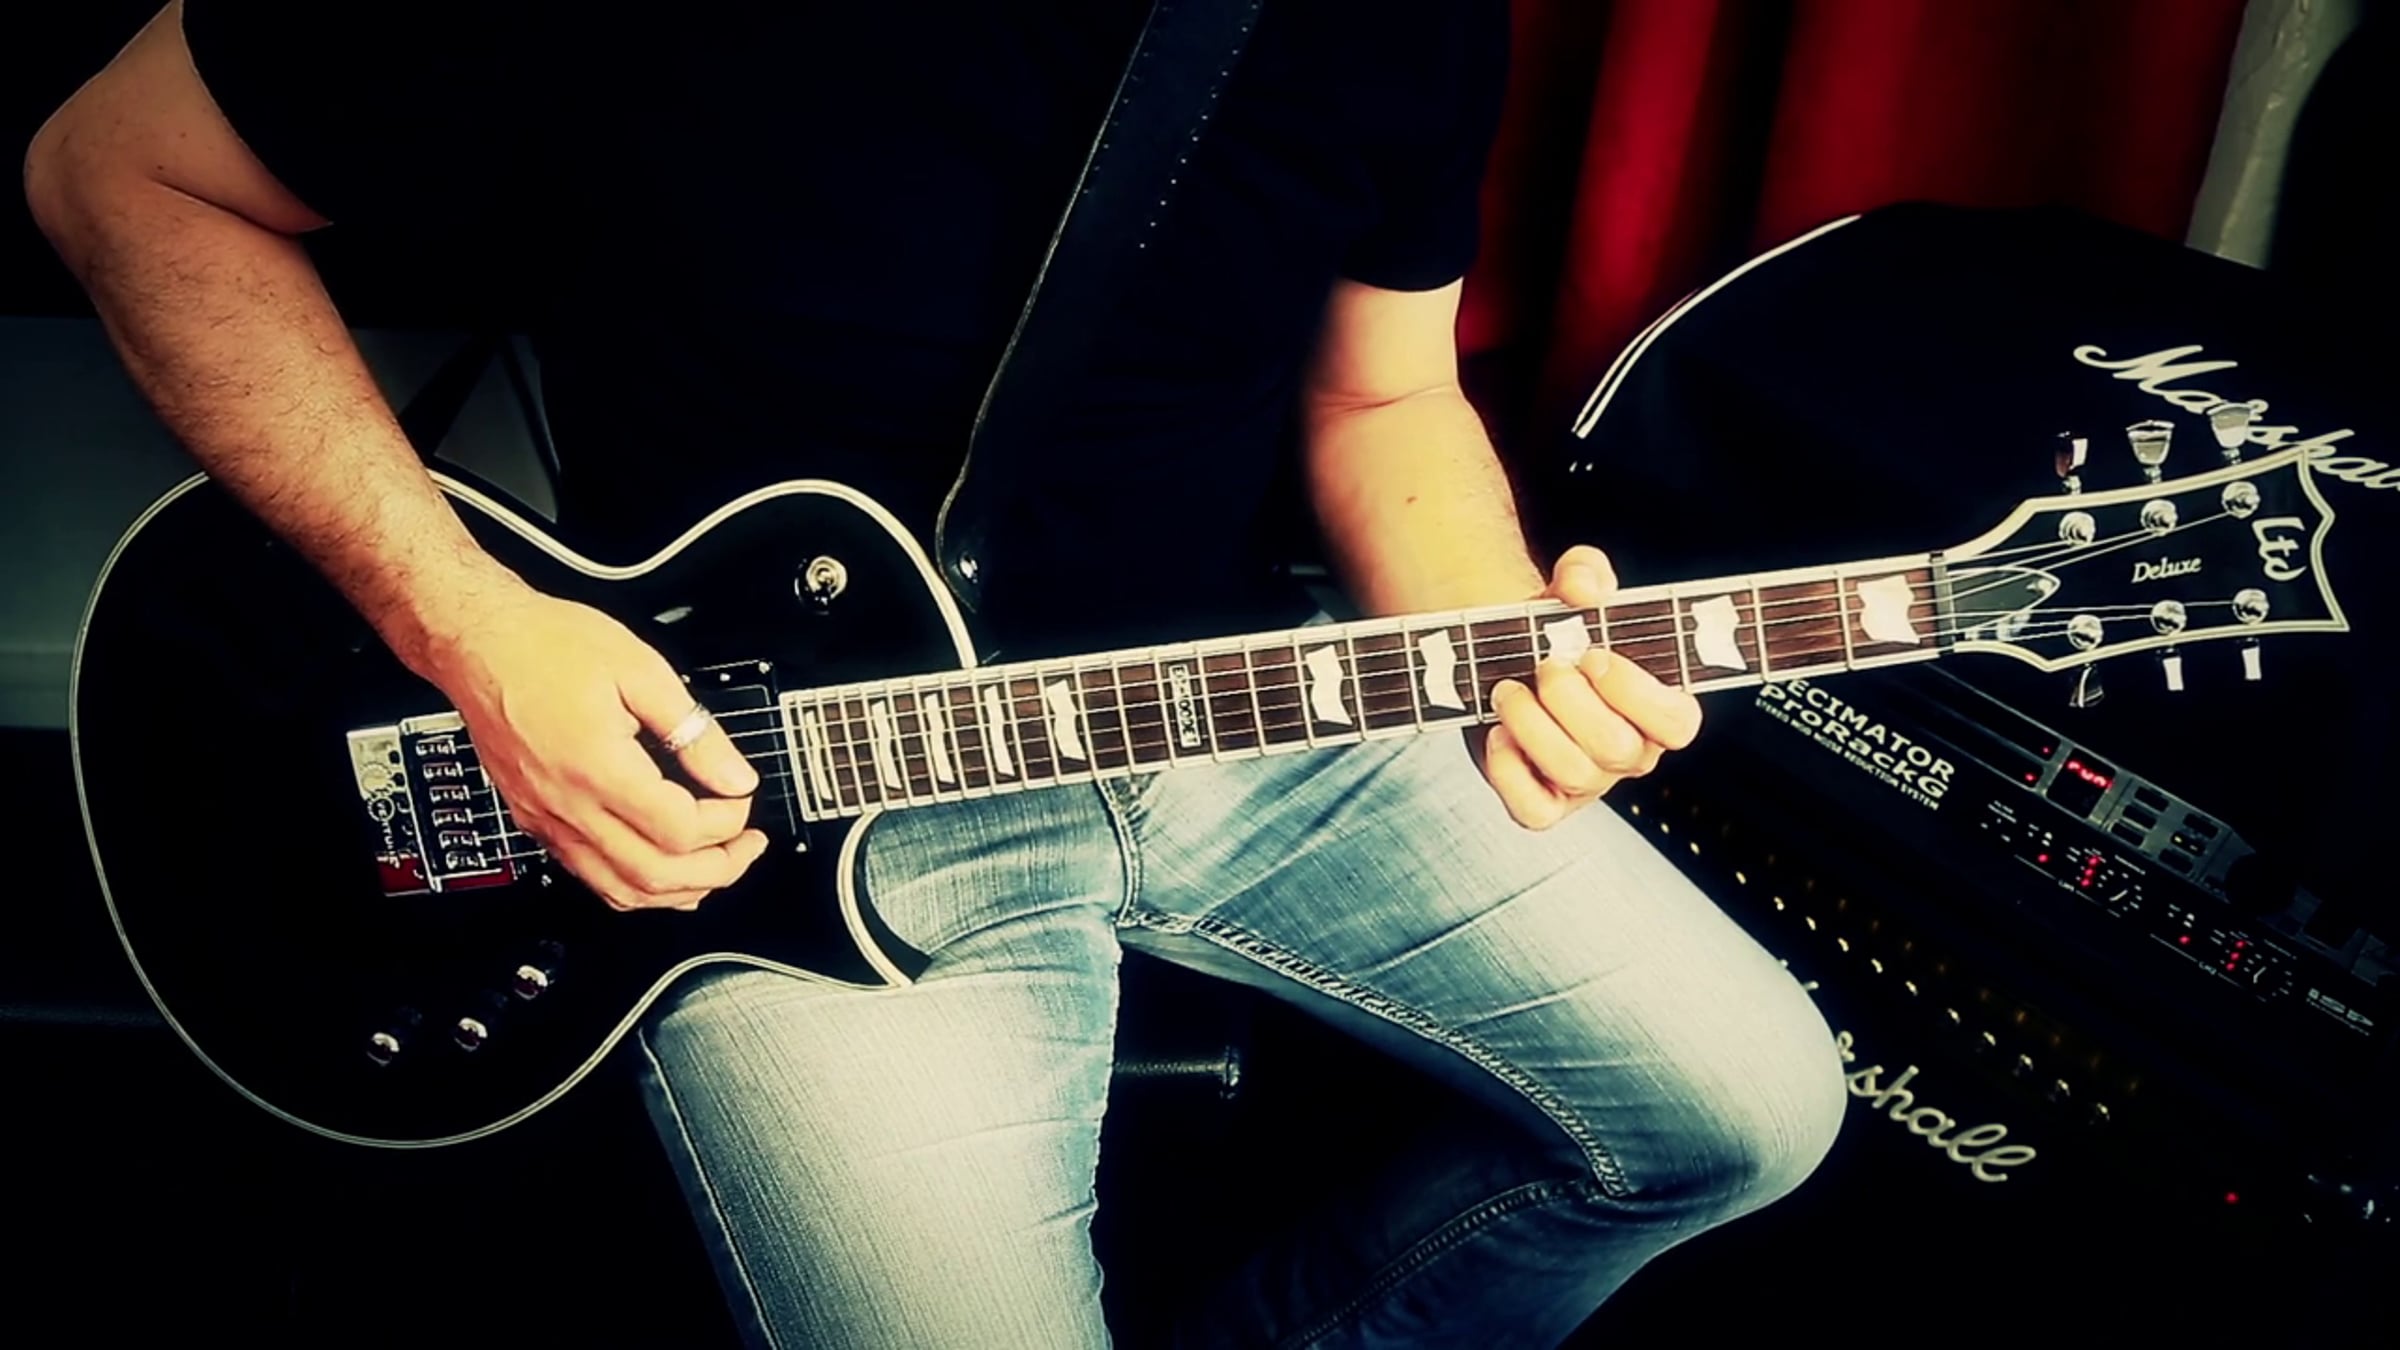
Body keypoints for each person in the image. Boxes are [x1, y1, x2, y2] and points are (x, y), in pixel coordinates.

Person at [25, 2, 1845, 1344]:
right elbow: (119, 170)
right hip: (771, 793)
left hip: (1237, 709)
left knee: (1745, 1114)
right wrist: (469, 624)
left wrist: (1505, 639)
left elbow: (1381, 395)